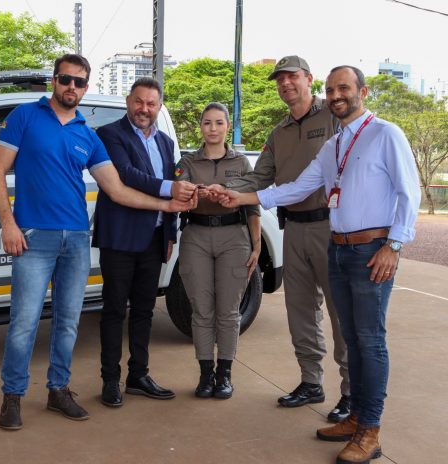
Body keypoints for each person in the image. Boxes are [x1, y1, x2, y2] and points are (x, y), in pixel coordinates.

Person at [215, 66, 420, 464]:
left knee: (369, 341)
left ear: (363, 91)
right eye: (331, 88)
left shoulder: (386, 134)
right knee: (355, 340)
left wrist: (394, 246)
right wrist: (240, 197)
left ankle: (370, 431)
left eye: (343, 87)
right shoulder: (335, 145)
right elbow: (296, 188)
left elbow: (408, 193)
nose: (336, 94)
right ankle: (355, 416)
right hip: (338, 249)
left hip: (371, 249)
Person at [0, 54, 195, 431]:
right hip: (33, 237)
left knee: (68, 322)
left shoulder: (87, 134)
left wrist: (167, 205)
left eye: (80, 82)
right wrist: (8, 223)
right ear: (54, 81)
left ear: (86, 88)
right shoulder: (25, 117)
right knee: (24, 323)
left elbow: (117, 189)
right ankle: (12, 396)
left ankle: (58, 390)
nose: (72, 87)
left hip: (76, 239)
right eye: (66, 79)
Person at [225, 55, 351, 421]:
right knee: (300, 309)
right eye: (279, 80)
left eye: (292, 77)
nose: (285, 84)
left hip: (331, 228)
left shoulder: (333, 116)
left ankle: (351, 392)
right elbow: (258, 178)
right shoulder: (278, 133)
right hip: (293, 228)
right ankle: (311, 381)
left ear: (309, 79)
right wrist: (219, 188)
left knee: (341, 312)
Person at [92, 78, 197, 407]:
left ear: (159, 106)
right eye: (139, 102)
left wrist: (170, 233)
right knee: (113, 310)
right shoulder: (109, 135)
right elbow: (126, 175)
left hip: (154, 239)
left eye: (151, 104)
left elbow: (173, 191)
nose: (144, 109)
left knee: (144, 311)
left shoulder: (166, 142)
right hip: (120, 239)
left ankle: (138, 375)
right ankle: (110, 380)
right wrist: (170, 189)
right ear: (128, 101)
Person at [175, 102, 261, 399]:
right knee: (201, 310)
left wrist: (256, 245)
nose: (213, 128)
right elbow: (179, 197)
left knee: (228, 311)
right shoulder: (187, 162)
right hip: (196, 235)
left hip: (234, 237)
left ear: (227, 126)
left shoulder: (242, 163)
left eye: (219, 123)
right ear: (200, 126)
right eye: (207, 123)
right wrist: (198, 193)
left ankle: (224, 374)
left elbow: (252, 205)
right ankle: (205, 375)